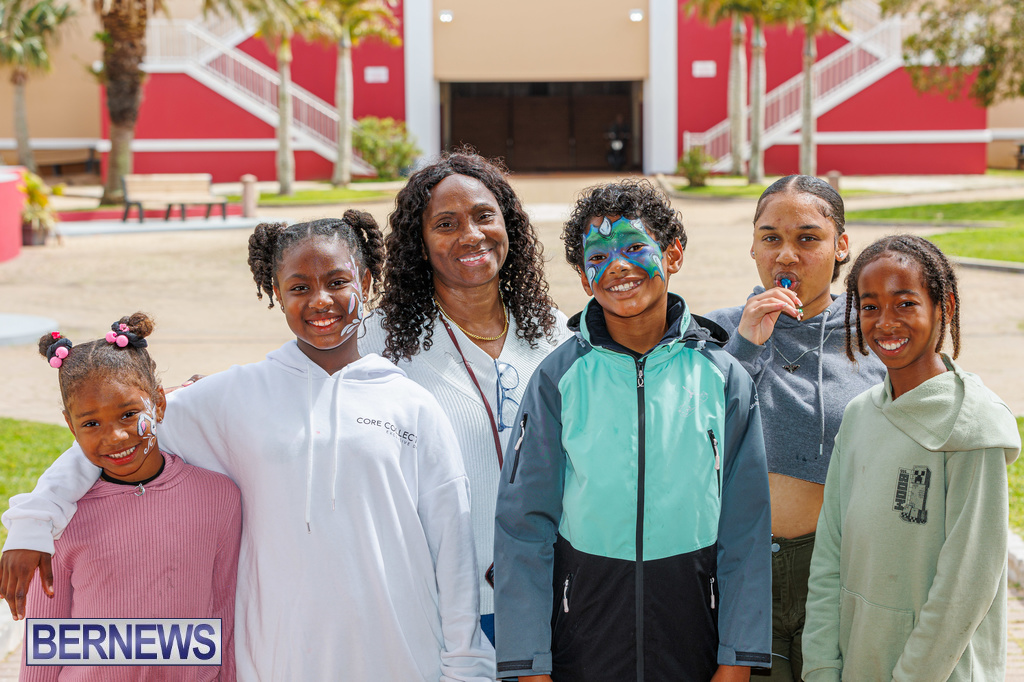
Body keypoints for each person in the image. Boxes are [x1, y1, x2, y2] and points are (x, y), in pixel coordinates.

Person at [1, 213, 495, 681]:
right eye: (299, 287)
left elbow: (451, 547)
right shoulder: (234, 396)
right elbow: (114, 438)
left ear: (365, 283)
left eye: (338, 282)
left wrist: (466, 663)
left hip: (404, 657)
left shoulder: (412, 404)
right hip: (274, 662)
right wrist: (31, 524)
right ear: (275, 293)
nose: (319, 300)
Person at [493, 180, 771, 681]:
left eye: (634, 247)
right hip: (584, 640)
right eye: (598, 255)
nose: (617, 265)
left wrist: (737, 658)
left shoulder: (723, 378)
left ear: (674, 254)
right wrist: (530, 664)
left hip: (694, 637)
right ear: (583, 277)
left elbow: (745, 529)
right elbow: (522, 526)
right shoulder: (558, 380)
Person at [359, 150, 570, 643]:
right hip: (440, 610)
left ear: (508, 225)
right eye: (446, 224)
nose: (471, 235)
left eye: (483, 216)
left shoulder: (556, 336)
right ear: (420, 242)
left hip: (556, 600)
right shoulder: (378, 345)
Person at [801, 235, 1021, 681]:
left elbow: (965, 587)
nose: (885, 323)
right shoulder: (861, 416)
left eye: (905, 304)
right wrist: (822, 666)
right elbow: (829, 557)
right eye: (869, 306)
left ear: (945, 307)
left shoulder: (973, 426)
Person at [702, 175, 885, 680]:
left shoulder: (873, 334)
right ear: (754, 247)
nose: (786, 255)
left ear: (841, 246)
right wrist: (745, 345)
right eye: (770, 238)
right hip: (742, 564)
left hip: (838, 566)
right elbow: (691, 436)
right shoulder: (715, 332)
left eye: (807, 238)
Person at [18, 314, 241, 682]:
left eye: (128, 414)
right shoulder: (59, 519)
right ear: (70, 425)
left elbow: (225, 611)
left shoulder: (218, 498)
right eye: (91, 424)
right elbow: (45, 637)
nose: (117, 437)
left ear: (159, 403)